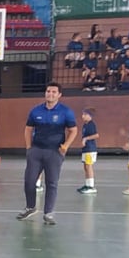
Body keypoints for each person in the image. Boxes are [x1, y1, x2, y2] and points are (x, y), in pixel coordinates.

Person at [18, 82, 77, 225]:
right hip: (36, 151)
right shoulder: (36, 111)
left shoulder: (66, 112)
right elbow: (28, 129)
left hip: (54, 152)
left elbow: (73, 130)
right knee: (29, 181)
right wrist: (29, 147)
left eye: (54, 92)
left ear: (59, 95)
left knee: (51, 183)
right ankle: (30, 207)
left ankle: (48, 213)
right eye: (48, 91)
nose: (50, 94)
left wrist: (66, 146)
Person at [76, 107, 99, 195]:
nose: (83, 116)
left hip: (90, 149)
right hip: (85, 149)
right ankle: (87, 184)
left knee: (89, 166)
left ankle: (91, 186)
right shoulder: (85, 125)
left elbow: (96, 135)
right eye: (83, 114)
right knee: (85, 166)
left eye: (85, 114)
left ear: (90, 116)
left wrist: (85, 139)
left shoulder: (91, 124)